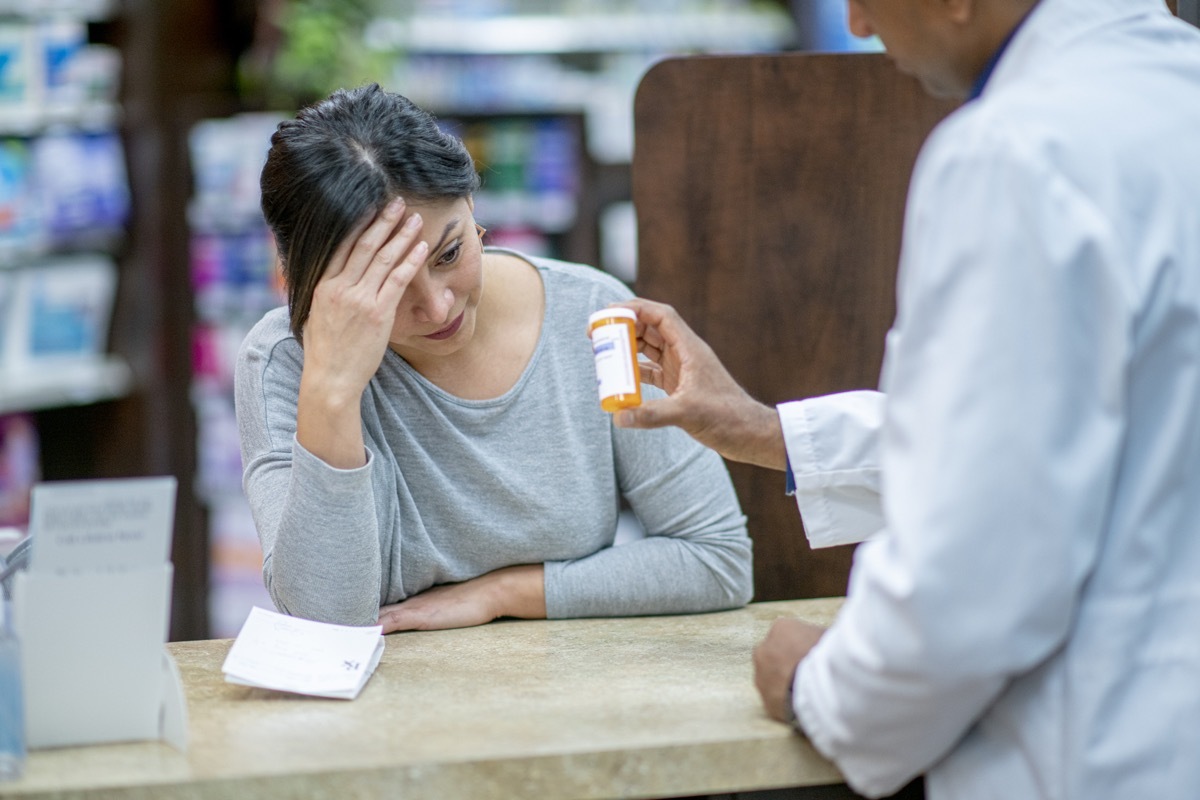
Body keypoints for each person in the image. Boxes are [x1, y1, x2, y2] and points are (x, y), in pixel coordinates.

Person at [612, 0, 1200, 798]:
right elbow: (1082, 424)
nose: (855, 24)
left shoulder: (1015, 152)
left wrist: (821, 685)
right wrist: (762, 429)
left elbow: (975, 568)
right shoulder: (1170, 96)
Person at [234, 84, 752, 634]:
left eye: (451, 253)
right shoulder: (285, 363)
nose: (437, 307)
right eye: (387, 287)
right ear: (303, 285)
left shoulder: (594, 313)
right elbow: (322, 622)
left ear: (472, 206)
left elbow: (717, 559)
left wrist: (502, 593)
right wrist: (333, 391)